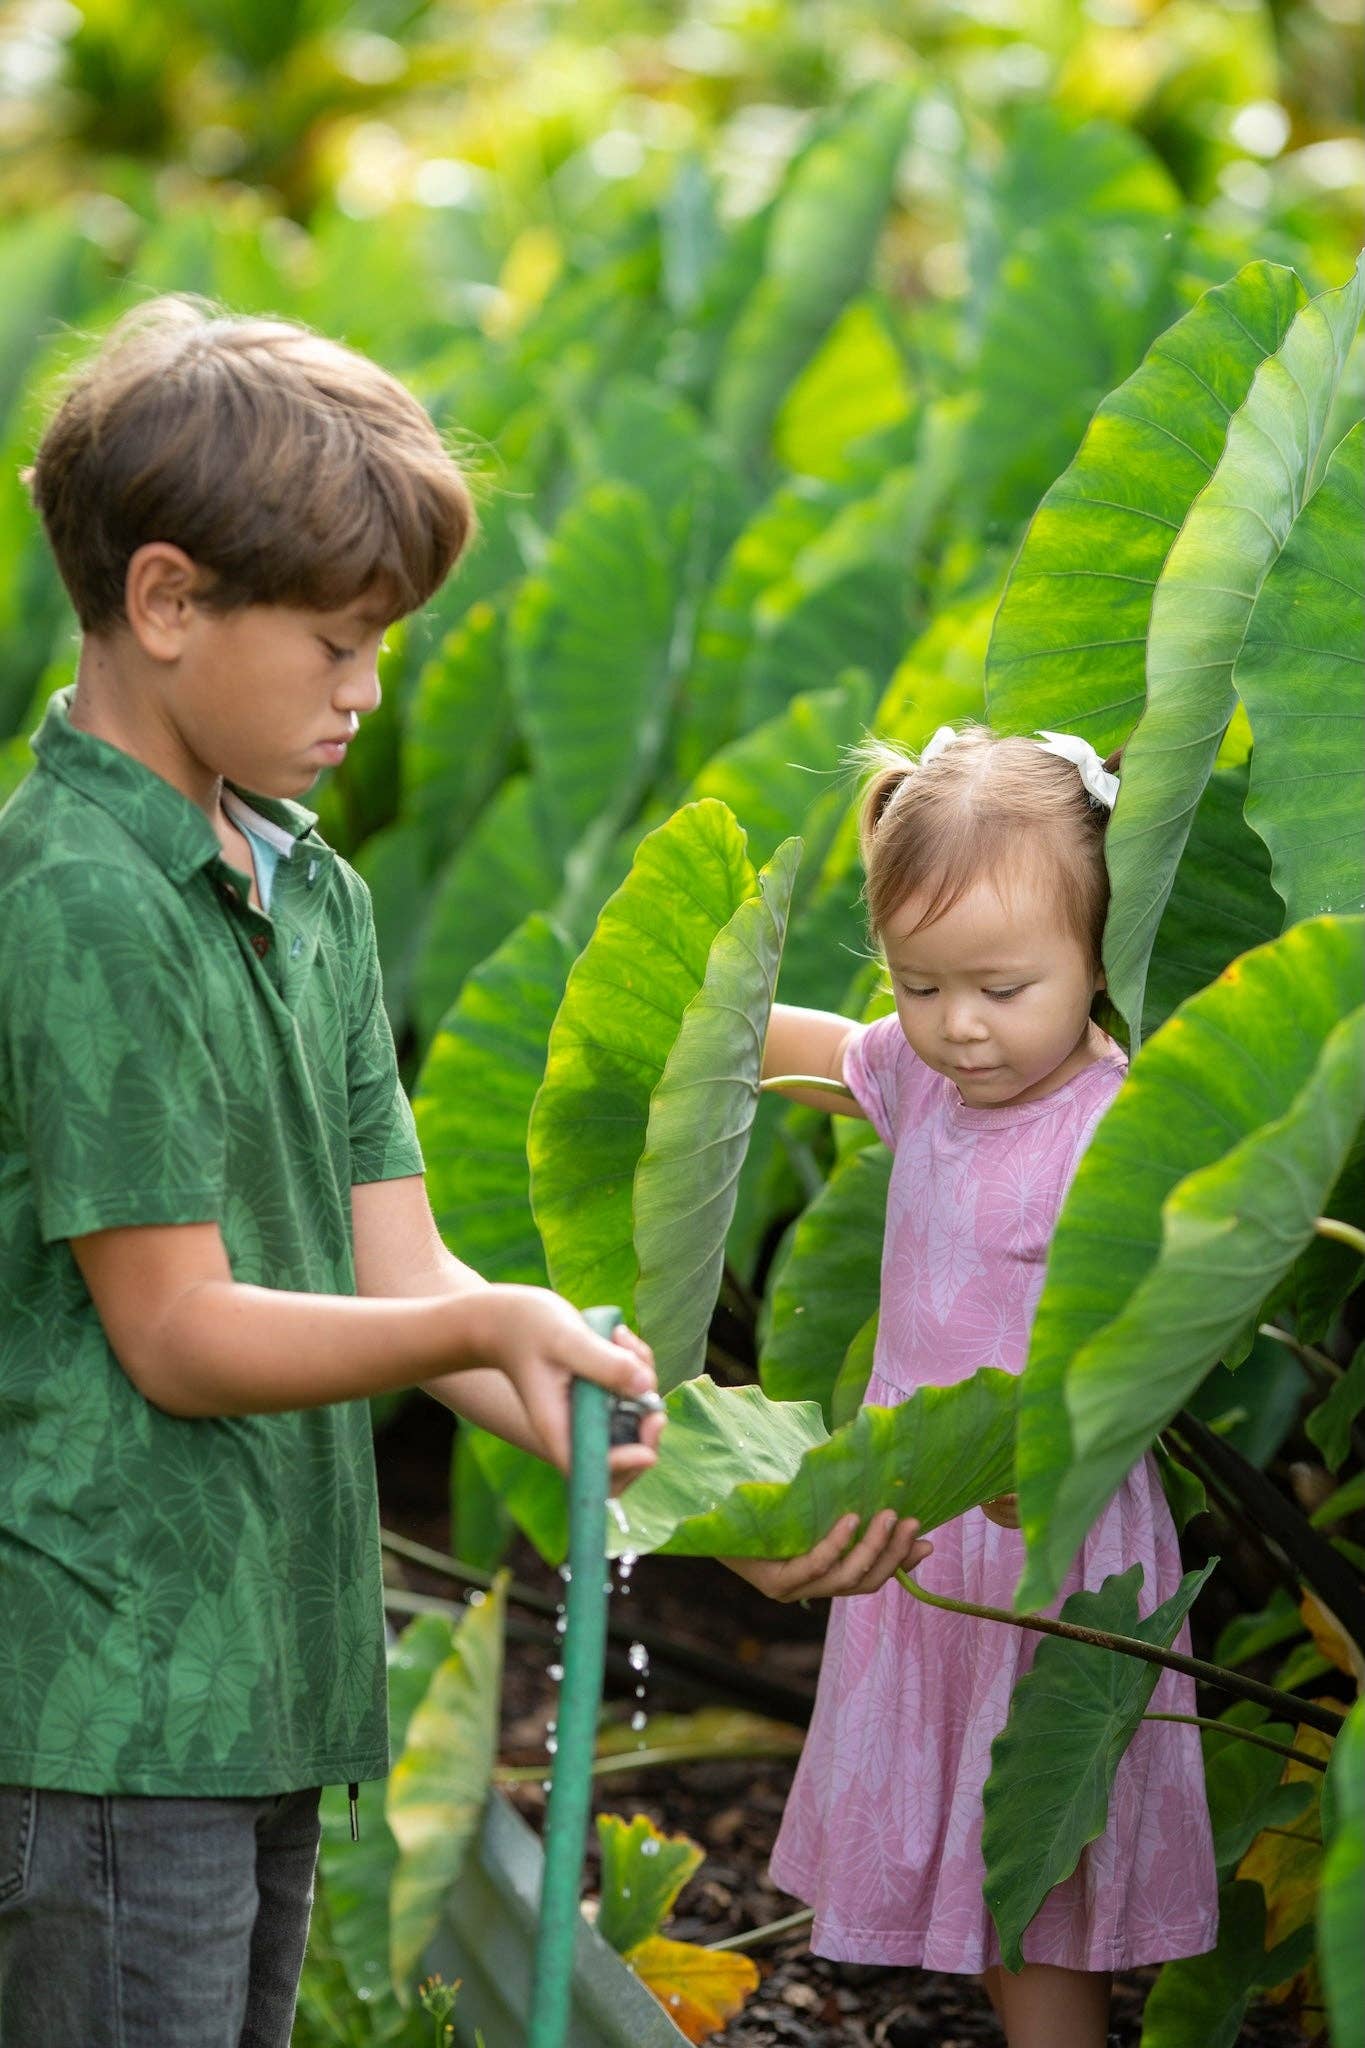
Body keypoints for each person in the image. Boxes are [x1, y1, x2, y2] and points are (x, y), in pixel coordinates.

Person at [0, 296, 662, 2048]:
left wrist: (550, 1370)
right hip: (113, 1691)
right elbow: (179, 1334)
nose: (370, 694)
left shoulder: (311, 890)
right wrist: (478, 1328)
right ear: (163, 600)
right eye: (337, 645)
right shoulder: (79, 901)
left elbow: (401, 1273)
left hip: (272, 1665)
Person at [725, 723, 1218, 2048]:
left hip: (1049, 1552)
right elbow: (811, 1046)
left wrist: (1053, 1464)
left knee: (1046, 1896)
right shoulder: (921, 1076)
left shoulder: (1116, 1124)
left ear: (1098, 955)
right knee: (985, 1889)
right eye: (918, 982)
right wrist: (690, 1011)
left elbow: (1154, 1333)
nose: (957, 1026)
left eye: (1001, 986)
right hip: (924, 1548)